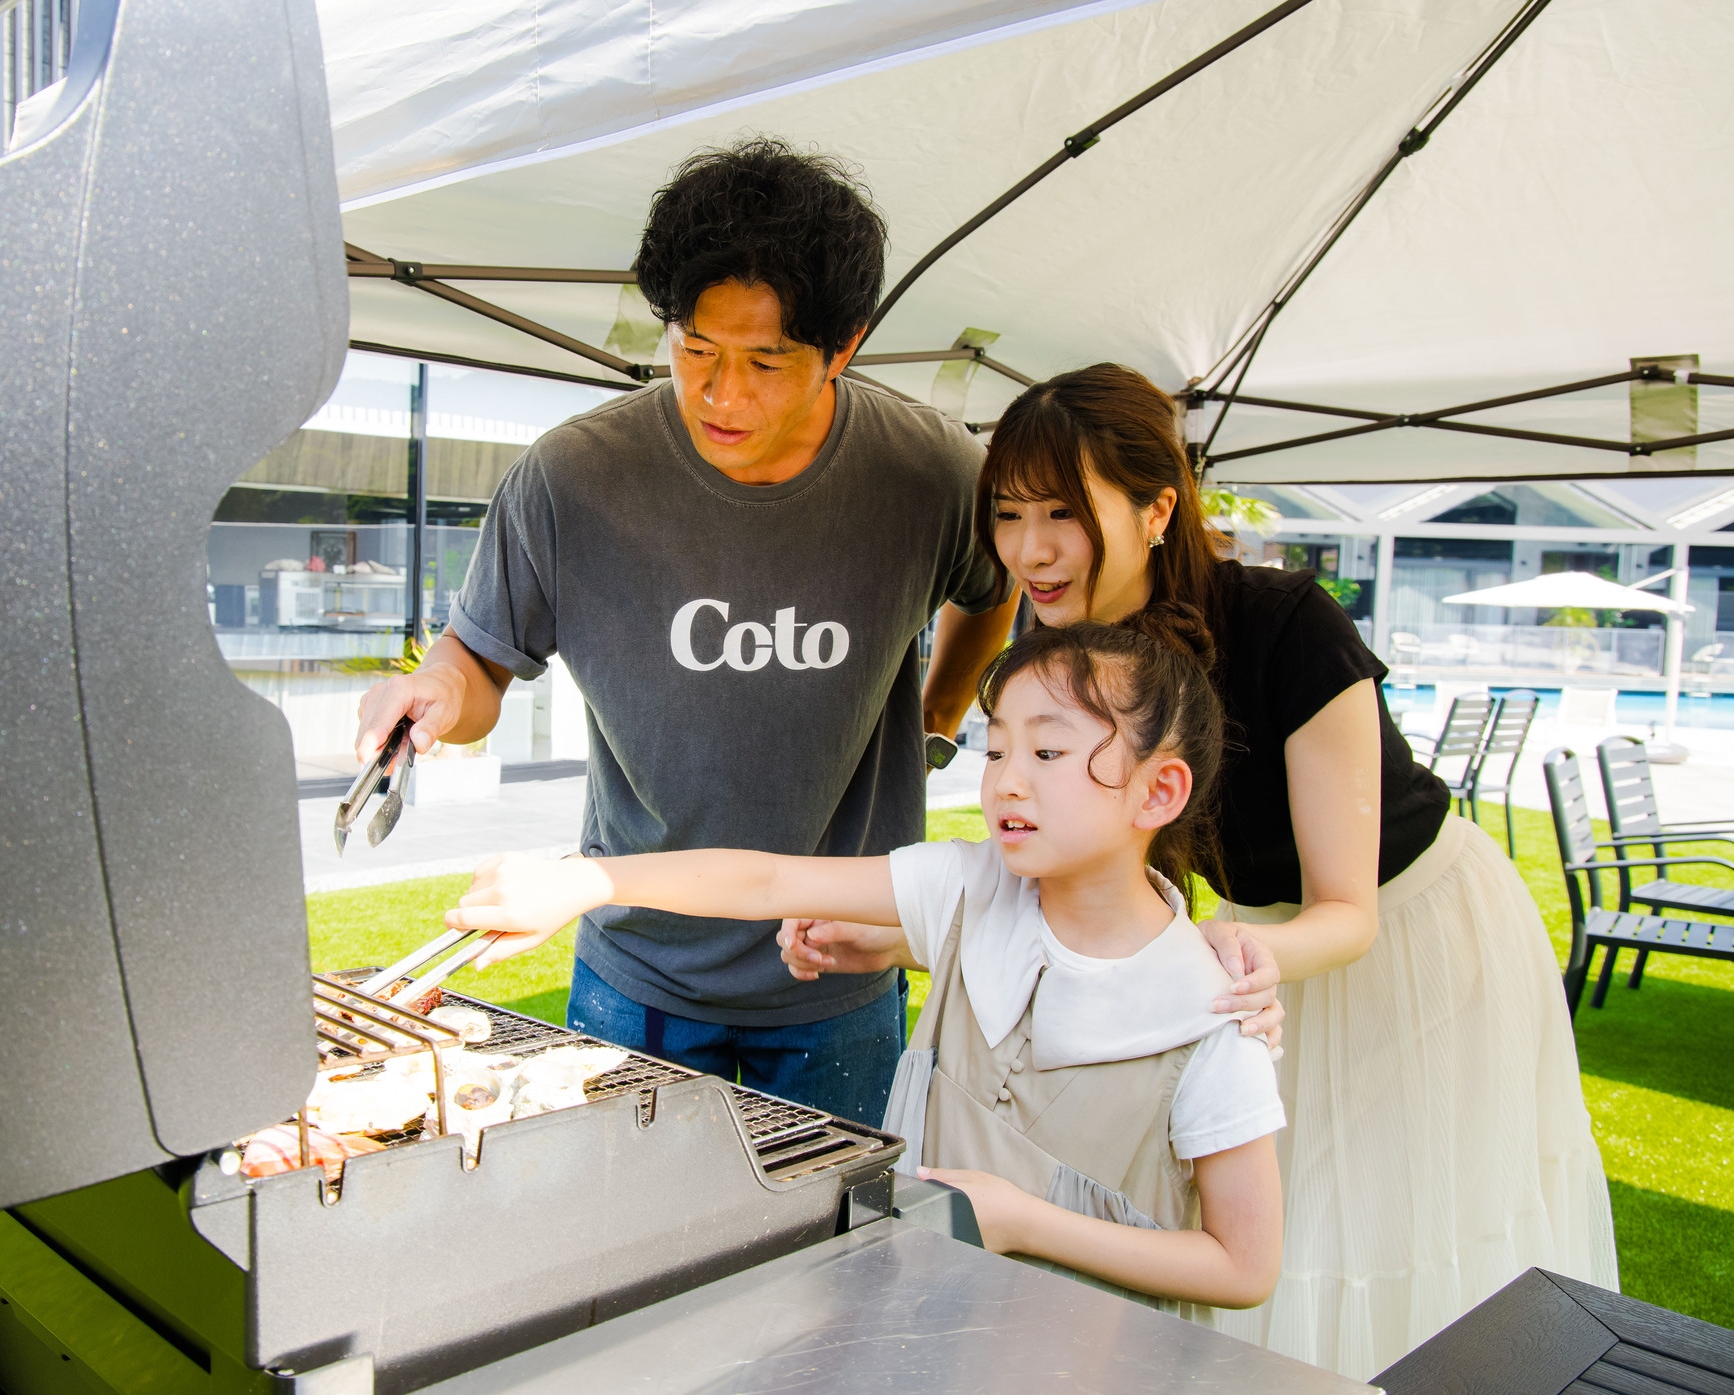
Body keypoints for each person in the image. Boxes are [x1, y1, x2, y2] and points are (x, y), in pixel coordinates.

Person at [353, 139, 1281, 1123]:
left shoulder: (926, 471)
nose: (720, 394)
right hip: (635, 967)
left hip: (841, 972)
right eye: (693, 351)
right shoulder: (571, 477)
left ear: (842, 345)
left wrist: (937, 716)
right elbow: (479, 664)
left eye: (763, 361)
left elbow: (989, 590)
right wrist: (433, 695)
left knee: (840, 1259)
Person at [979, 362, 1618, 1376]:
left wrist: (1230, 952)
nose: (1028, 550)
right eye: (1008, 514)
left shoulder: (1287, 625)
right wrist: (893, 927)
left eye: (1061, 511)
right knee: (1261, 1224)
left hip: (1408, 941)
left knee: (1374, 1229)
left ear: (1155, 508)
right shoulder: (1048, 637)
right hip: (1248, 954)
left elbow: (1344, 909)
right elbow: (1041, 853)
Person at [448, 620, 1286, 1317]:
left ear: (1157, 791)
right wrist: (584, 878)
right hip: (917, 1329)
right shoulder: (967, 882)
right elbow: (769, 878)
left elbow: (1242, 1268)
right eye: (995, 752)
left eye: (1047, 753)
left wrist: (1022, 1222)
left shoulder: (1216, 1012)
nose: (1007, 783)